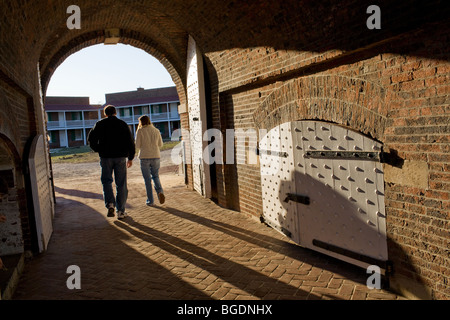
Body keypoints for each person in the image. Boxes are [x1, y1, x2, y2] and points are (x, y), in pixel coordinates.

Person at [88, 105, 135, 220]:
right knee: (121, 184)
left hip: (105, 157)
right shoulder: (122, 124)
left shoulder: (100, 124)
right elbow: (130, 141)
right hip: (120, 157)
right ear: (115, 113)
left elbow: (91, 139)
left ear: (105, 113)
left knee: (106, 181)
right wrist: (130, 157)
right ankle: (121, 211)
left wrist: (98, 149)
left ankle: (110, 204)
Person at [135, 115, 165, 207]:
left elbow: (137, 145)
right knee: (155, 176)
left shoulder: (140, 131)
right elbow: (160, 144)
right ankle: (160, 192)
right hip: (156, 156)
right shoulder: (156, 131)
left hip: (144, 156)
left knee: (147, 180)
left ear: (141, 122)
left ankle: (150, 201)